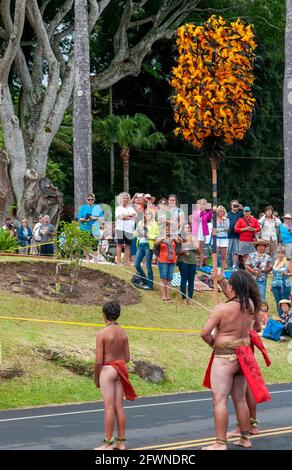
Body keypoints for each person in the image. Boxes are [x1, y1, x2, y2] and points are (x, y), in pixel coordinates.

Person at [201, 270, 271, 450]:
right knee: (240, 399)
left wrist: (215, 344)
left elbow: (204, 333)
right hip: (243, 356)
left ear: (233, 287)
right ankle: (245, 438)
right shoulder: (250, 305)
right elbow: (256, 326)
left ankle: (220, 443)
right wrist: (222, 280)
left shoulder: (221, 309)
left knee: (220, 400)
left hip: (224, 357)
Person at [94, 302, 136, 450]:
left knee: (109, 409)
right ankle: (122, 442)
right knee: (119, 408)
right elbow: (127, 357)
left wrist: (96, 377)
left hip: (107, 369)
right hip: (120, 369)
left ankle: (108, 444)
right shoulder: (123, 333)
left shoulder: (102, 334)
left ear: (104, 316)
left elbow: (99, 361)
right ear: (118, 314)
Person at [134, 209, 159, 290]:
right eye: (146, 214)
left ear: (152, 215)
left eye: (149, 214)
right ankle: (145, 281)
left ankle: (150, 285)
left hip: (149, 245)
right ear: (144, 215)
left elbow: (156, 236)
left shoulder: (155, 224)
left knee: (148, 265)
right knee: (137, 264)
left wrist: (148, 236)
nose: (148, 215)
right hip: (140, 245)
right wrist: (138, 231)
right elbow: (135, 234)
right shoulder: (140, 223)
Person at [155, 222, 180, 302]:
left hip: (172, 260)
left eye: (168, 229)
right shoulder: (160, 238)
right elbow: (156, 243)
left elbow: (180, 241)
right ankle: (163, 296)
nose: (167, 230)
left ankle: (168, 296)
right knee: (163, 278)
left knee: (169, 279)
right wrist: (163, 237)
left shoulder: (173, 238)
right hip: (163, 260)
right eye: (165, 229)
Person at [177, 223, 199, 305]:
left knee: (191, 280)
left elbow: (199, 251)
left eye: (189, 227)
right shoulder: (179, 239)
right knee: (184, 279)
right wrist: (182, 250)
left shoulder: (194, 238)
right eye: (186, 228)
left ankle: (190, 298)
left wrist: (193, 244)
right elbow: (177, 251)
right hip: (183, 261)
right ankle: (183, 299)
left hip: (193, 261)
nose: (188, 229)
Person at [115, 192, 137, 266]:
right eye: (124, 198)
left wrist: (126, 216)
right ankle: (119, 261)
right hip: (120, 229)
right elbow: (120, 217)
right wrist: (129, 216)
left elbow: (135, 216)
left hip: (129, 230)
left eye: (127, 198)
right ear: (121, 199)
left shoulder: (131, 208)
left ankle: (128, 262)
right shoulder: (118, 208)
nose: (125, 199)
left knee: (128, 246)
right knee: (119, 245)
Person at [271, 247, 292, 317]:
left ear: (284, 254)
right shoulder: (275, 262)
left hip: (285, 285)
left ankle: (287, 318)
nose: (280, 254)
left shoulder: (287, 263)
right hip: (275, 286)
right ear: (277, 254)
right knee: (278, 302)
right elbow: (274, 274)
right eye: (279, 253)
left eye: (282, 253)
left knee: (284, 303)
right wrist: (271, 285)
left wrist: (286, 274)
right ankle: (281, 318)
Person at [192, 199, 212, 267]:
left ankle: (200, 265)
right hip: (195, 231)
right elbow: (196, 218)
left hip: (202, 232)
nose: (202, 205)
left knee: (201, 249)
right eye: (201, 204)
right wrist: (202, 212)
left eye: (204, 204)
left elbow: (209, 218)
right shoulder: (195, 212)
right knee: (196, 248)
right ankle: (195, 263)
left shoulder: (207, 212)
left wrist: (209, 210)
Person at [130, 193, 145, 264]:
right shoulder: (131, 206)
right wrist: (134, 196)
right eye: (137, 198)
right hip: (133, 227)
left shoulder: (144, 207)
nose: (138, 199)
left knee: (143, 244)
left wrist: (144, 197)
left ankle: (144, 263)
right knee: (133, 244)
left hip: (143, 227)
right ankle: (134, 262)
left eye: (140, 198)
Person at [227, 200, 243, 269]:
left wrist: (242, 208)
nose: (235, 207)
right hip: (229, 236)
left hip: (237, 236)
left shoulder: (240, 213)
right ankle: (228, 266)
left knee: (236, 252)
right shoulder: (228, 214)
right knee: (228, 252)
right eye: (234, 205)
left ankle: (235, 267)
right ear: (231, 206)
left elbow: (248, 214)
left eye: (237, 205)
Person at [216, 205, 230, 271]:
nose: (220, 212)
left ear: (224, 212)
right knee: (215, 254)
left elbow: (227, 228)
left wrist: (219, 229)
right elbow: (214, 230)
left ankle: (222, 269)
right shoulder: (214, 219)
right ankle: (215, 268)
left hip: (224, 238)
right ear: (217, 212)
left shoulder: (226, 219)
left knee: (223, 255)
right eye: (219, 211)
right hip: (216, 238)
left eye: (222, 211)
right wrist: (221, 229)